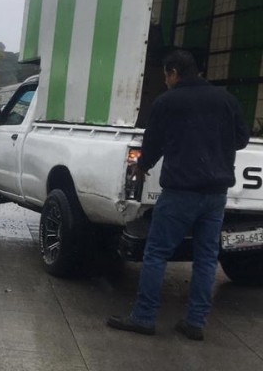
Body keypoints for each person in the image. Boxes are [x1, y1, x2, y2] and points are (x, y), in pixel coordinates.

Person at [107, 49, 249, 340]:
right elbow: (242, 138)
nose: (166, 81)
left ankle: (144, 317)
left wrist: (142, 166)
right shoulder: (226, 100)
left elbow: (154, 142)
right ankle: (195, 322)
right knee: (207, 258)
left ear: (173, 73)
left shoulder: (167, 102)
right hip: (215, 194)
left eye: (166, 76)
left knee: (157, 253)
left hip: (181, 192)